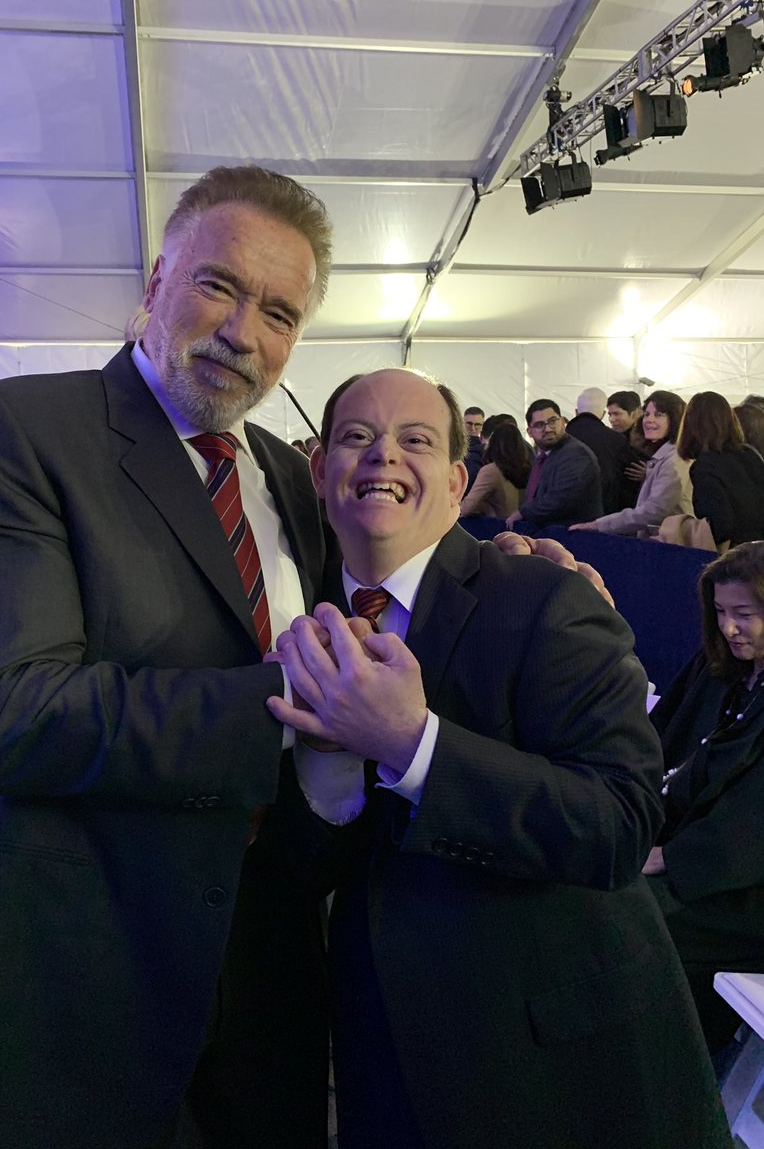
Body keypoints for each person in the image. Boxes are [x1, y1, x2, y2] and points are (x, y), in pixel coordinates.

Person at [0, 165, 338, 1149]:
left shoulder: (280, 470)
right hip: (85, 953)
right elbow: (4, 714)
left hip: (268, 950)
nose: (244, 332)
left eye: (279, 312)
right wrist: (299, 701)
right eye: (220, 286)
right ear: (155, 283)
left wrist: (508, 571)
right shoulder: (15, 431)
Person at [269, 367, 729, 1149]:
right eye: (356, 436)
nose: (383, 456)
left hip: (557, 1064)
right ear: (320, 469)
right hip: (385, 1060)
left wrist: (411, 746)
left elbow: (618, 825)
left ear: (457, 481)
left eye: (415, 440)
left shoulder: (549, 597)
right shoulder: (292, 622)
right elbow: (304, 871)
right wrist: (329, 760)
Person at [643, 540, 764, 1056]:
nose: (729, 628)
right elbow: (657, 737)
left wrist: (667, 856)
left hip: (741, 889)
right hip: (684, 849)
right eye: (719, 612)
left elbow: (750, 829)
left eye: (744, 614)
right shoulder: (722, 666)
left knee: (624, 914)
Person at [570, 389, 692, 537]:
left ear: (675, 419)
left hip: (670, 546)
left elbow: (654, 511)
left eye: (658, 415)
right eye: (647, 414)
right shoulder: (663, 455)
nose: (649, 420)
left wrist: (598, 525)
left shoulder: (674, 461)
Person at [676, 391, 764, 548]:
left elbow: (719, 525)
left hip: (738, 557)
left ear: (691, 423)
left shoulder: (705, 465)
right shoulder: (750, 453)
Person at [505, 398, 602, 529]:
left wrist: (524, 513)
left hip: (572, 537)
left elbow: (561, 499)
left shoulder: (576, 454)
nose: (548, 428)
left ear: (562, 422)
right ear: (530, 432)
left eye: (552, 421)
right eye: (540, 425)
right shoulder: (545, 454)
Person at [566, 386, 635, 513]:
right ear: (603, 414)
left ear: (576, 412)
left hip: (562, 512)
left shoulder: (561, 437)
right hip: (604, 513)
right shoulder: (616, 440)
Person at [459, 421, 530, 518]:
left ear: (493, 444)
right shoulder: (527, 468)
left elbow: (466, 508)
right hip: (519, 527)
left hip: (494, 528)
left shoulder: (491, 471)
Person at [461, 405, 485, 496]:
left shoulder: (485, 450)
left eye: (477, 425)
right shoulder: (453, 444)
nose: (473, 428)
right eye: (469, 424)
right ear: (463, 423)